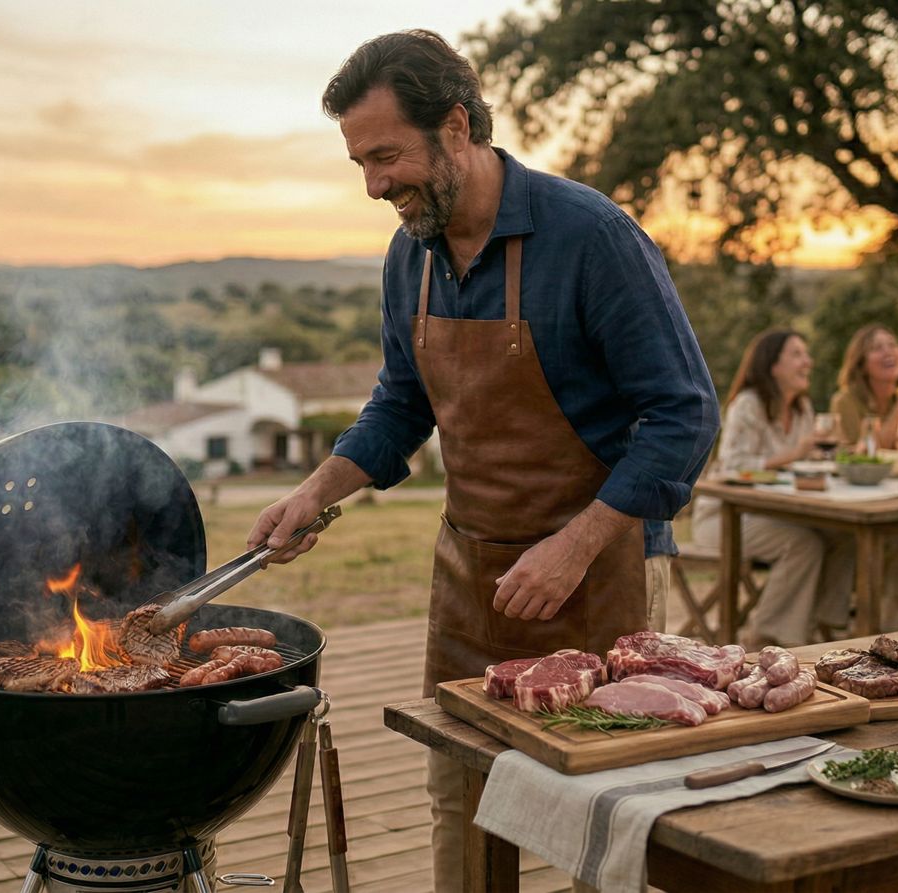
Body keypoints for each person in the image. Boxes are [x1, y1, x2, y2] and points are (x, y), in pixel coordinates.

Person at [246, 30, 719, 888]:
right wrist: (313, 492)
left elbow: (684, 412)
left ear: (456, 126)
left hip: (596, 579)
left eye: (386, 156)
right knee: (456, 804)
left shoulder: (592, 237)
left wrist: (574, 545)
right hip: (467, 584)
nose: (374, 184)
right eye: (359, 162)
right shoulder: (408, 257)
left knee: (604, 820)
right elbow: (400, 405)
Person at [691, 330, 855, 647]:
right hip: (725, 517)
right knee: (803, 544)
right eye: (797, 354)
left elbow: (803, 465)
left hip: (777, 513)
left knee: (843, 534)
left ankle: (824, 627)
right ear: (773, 365)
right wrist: (795, 454)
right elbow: (733, 466)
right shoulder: (747, 405)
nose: (808, 362)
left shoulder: (803, 409)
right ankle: (764, 637)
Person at [829, 324, 898, 450]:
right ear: (861, 365)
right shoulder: (844, 402)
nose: (888, 352)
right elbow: (865, 456)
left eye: (892, 345)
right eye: (876, 348)